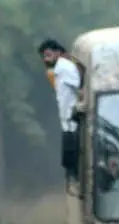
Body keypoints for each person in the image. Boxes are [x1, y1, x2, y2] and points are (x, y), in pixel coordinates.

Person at [38, 38, 82, 177]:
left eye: (49, 55)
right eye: (44, 57)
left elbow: (78, 87)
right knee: (68, 161)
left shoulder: (65, 67)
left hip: (72, 120)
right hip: (67, 120)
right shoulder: (56, 70)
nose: (46, 59)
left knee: (71, 161)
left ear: (58, 53)